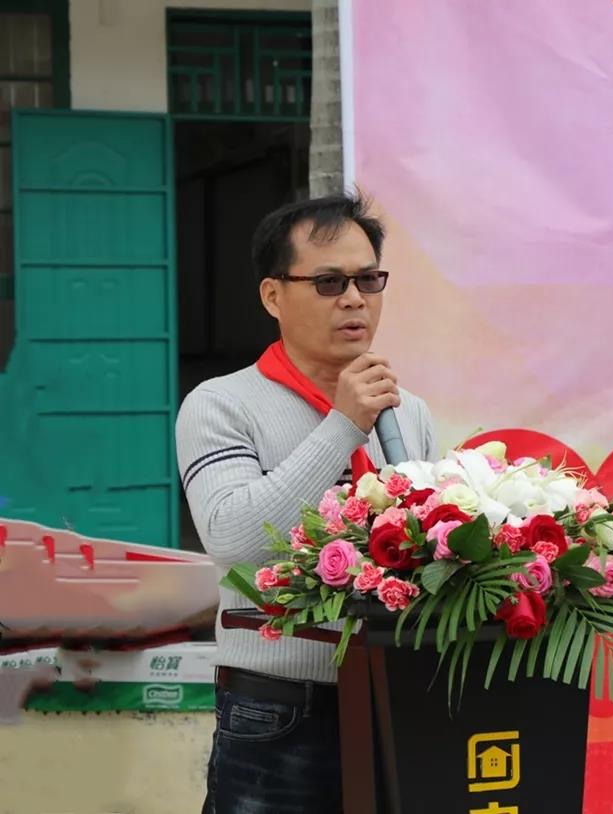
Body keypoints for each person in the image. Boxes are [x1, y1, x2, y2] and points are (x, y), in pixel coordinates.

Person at [176, 192, 437, 813]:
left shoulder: (408, 410)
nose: (354, 299)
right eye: (328, 283)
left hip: (399, 703)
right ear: (273, 296)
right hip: (278, 709)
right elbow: (234, 541)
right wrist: (343, 426)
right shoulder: (220, 404)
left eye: (368, 279)